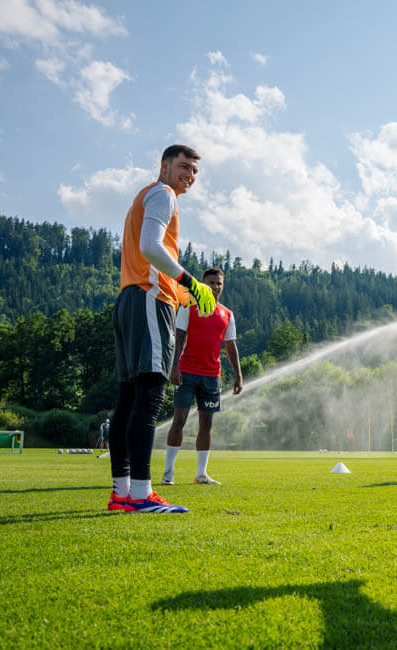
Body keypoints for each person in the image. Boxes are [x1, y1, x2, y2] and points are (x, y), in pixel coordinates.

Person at [107, 144, 216, 514]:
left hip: (131, 299)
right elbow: (151, 247)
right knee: (149, 397)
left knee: (127, 400)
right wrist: (190, 281)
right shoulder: (163, 194)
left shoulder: (145, 196)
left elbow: (147, 259)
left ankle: (122, 493)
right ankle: (141, 494)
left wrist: (184, 293)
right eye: (184, 166)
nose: (190, 175)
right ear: (165, 165)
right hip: (149, 300)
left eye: (195, 171)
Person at [162, 267, 243, 486]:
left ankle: (201, 474)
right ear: (202, 285)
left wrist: (238, 375)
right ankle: (168, 472)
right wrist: (174, 367)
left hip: (212, 376)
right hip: (187, 372)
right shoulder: (189, 306)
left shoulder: (227, 314)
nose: (215, 287)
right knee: (179, 420)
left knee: (206, 425)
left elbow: (231, 346)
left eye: (219, 284)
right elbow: (179, 337)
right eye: (211, 283)